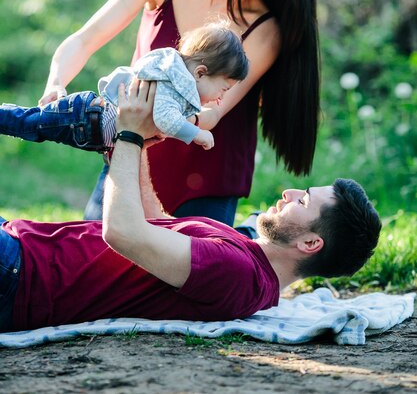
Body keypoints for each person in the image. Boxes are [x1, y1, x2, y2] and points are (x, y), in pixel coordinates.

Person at [0, 81, 381, 333]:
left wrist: (130, 134)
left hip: (21, 278)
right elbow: (159, 224)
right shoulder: (244, 253)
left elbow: (124, 232)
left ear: (311, 244)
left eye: (304, 200)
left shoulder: (238, 275)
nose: (290, 192)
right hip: (20, 247)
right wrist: (127, 148)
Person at [38, 0, 321, 224]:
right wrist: (56, 83)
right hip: (132, 155)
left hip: (209, 173)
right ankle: (250, 237)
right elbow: (85, 40)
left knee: (193, 274)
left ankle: (252, 238)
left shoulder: (267, 28)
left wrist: (164, 117)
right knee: (91, 269)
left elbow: (213, 112)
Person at [0, 23, 248, 153]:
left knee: (31, 124)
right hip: (84, 118)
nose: (220, 98)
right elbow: (165, 120)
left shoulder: (176, 84)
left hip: (87, 122)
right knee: (29, 124)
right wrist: (197, 134)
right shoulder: (172, 86)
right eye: (223, 89)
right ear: (200, 73)